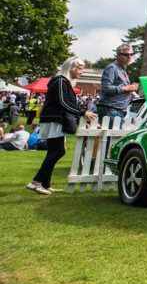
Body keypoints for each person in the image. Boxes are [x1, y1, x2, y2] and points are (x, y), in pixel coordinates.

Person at [29, 56, 97, 195]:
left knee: (53, 151)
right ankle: (36, 182)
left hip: (54, 119)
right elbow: (63, 102)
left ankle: (45, 184)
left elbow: (65, 102)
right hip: (54, 119)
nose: (81, 72)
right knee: (58, 151)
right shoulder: (60, 81)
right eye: (80, 69)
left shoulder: (61, 81)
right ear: (72, 68)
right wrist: (82, 112)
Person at [96, 43, 138, 126]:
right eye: (126, 55)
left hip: (117, 109)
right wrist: (125, 88)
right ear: (118, 55)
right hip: (111, 109)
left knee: (113, 137)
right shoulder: (112, 68)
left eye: (131, 54)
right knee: (109, 138)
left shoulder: (122, 69)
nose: (129, 57)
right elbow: (106, 88)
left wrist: (130, 90)